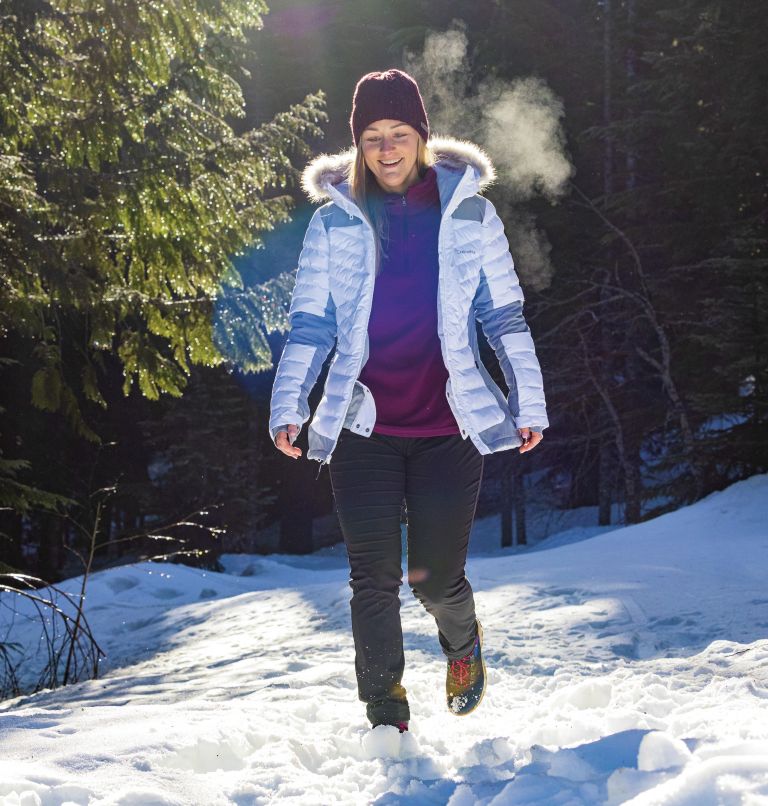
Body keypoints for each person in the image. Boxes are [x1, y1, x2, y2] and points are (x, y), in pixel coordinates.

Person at [269, 69, 548, 733]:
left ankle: (461, 642)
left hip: (449, 426)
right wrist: (290, 404)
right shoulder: (333, 221)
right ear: (357, 144)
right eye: (372, 137)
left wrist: (527, 401)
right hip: (362, 425)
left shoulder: (470, 212)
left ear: (422, 136)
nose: (386, 149)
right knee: (374, 578)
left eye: (399, 134)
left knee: (434, 580)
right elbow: (310, 322)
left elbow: (502, 315)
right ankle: (386, 711)